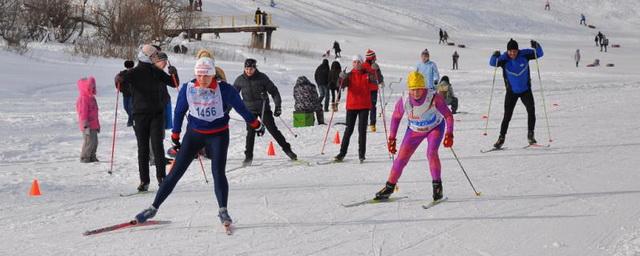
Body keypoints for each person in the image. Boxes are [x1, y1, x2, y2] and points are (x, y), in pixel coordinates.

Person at [134, 57, 266, 228]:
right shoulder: (188, 88)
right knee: (175, 173)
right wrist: (175, 134)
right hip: (194, 136)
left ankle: (223, 210)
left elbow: (242, 109)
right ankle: (153, 208)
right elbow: (179, 110)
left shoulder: (224, 90)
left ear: (213, 75)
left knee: (218, 172)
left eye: (206, 76)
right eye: (199, 75)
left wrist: (255, 124)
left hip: (218, 136)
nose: (202, 79)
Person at [374, 71, 454, 202]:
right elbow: (396, 117)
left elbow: (448, 115)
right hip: (414, 130)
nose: (416, 92)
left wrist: (449, 133)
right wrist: (392, 138)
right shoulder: (404, 99)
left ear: (423, 87)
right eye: (413, 89)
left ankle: (437, 186)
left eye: (418, 89)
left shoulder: (434, 97)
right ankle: (389, 187)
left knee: (431, 153)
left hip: (434, 128)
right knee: (401, 158)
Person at [122, 44, 179, 191]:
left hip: (156, 114)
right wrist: (120, 78)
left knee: (157, 146)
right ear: (147, 57)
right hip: (139, 115)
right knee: (143, 149)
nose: (156, 58)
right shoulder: (134, 73)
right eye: (154, 56)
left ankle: (162, 178)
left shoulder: (156, 71)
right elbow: (121, 87)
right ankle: (144, 181)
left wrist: (174, 73)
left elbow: (174, 83)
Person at [233, 58, 298, 165]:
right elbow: (232, 96)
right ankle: (248, 157)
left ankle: (288, 150)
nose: (248, 71)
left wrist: (278, 106)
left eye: (251, 69)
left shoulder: (262, 78)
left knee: (273, 130)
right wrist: (226, 111)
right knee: (250, 133)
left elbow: (274, 91)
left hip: (264, 108)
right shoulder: (240, 80)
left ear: (255, 68)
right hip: (249, 111)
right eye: (247, 68)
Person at [489, 38, 544, 148]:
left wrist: (537, 46)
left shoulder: (524, 55)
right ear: (507, 51)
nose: (512, 53)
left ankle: (530, 135)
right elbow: (492, 63)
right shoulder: (504, 59)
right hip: (511, 92)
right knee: (507, 116)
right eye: (510, 51)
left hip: (525, 90)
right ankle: (501, 138)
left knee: (531, 111)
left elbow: (539, 53)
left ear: (518, 50)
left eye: (514, 51)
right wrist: (495, 55)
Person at [335, 55, 376, 162]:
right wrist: (341, 78)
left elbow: (376, 80)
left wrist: (376, 71)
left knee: (362, 131)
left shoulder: (367, 74)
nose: (357, 64)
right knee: (348, 130)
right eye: (355, 62)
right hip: (352, 106)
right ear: (352, 64)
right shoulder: (349, 75)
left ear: (361, 63)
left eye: (358, 62)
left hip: (364, 106)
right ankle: (342, 153)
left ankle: (361, 154)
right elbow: (341, 85)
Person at [76, 76, 100, 163]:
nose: (93, 88)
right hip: (88, 126)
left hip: (94, 124)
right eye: (91, 87)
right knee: (89, 141)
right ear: (85, 88)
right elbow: (83, 113)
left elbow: (95, 113)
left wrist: (97, 124)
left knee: (95, 142)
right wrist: (85, 125)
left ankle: (92, 156)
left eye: (93, 87)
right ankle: (85, 157)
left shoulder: (92, 98)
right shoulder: (83, 99)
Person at [362, 49, 384, 132]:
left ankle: (372, 124)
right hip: (365, 90)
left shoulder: (376, 66)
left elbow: (380, 78)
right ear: (371, 58)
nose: (375, 59)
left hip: (374, 90)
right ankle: (364, 123)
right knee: (365, 107)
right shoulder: (363, 66)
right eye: (374, 58)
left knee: (373, 107)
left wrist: (377, 71)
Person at [115, 60, 135, 127]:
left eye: (130, 67)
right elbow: (117, 80)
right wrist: (118, 82)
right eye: (128, 67)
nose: (129, 68)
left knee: (130, 107)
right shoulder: (122, 73)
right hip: (125, 93)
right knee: (126, 107)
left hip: (133, 94)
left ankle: (131, 121)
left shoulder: (135, 72)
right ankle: (133, 117)